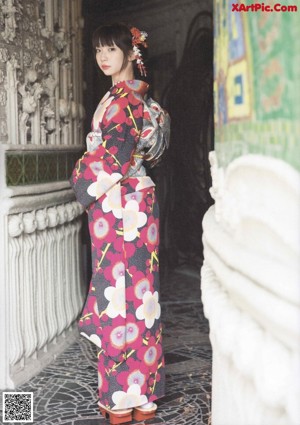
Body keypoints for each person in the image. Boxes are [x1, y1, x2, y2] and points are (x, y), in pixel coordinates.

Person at [70, 22, 170, 425]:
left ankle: (121, 399)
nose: (103, 57)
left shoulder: (123, 100)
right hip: (137, 202)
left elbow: (113, 156)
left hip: (120, 204)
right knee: (141, 299)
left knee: (119, 299)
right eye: (98, 51)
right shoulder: (138, 99)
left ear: (131, 53)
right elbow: (148, 153)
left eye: (111, 49)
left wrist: (78, 176)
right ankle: (144, 395)